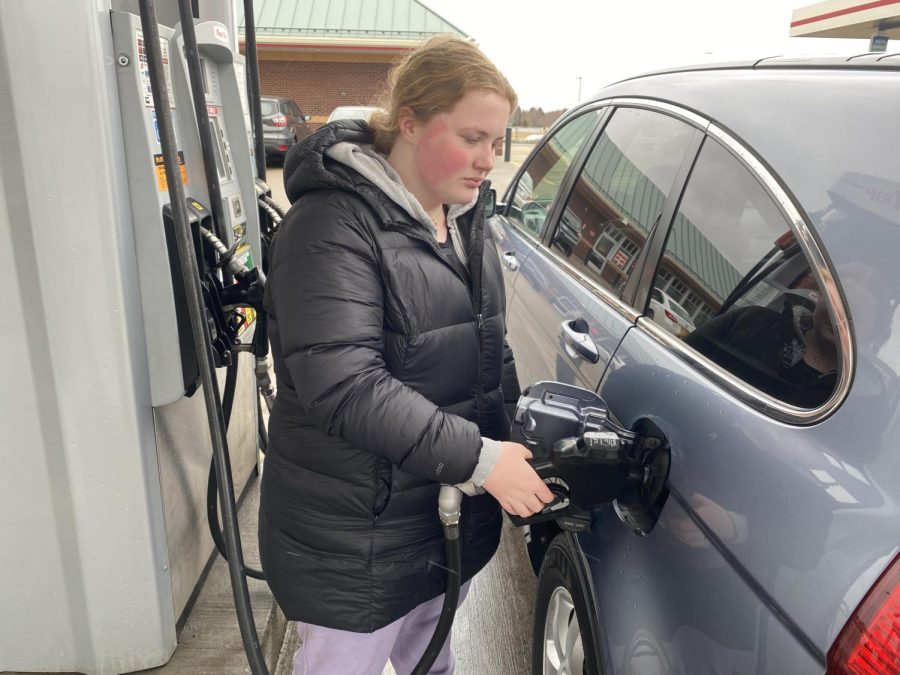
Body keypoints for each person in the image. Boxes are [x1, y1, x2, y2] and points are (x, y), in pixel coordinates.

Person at [258, 35, 554, 675]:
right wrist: (481, 459)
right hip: (352, 544)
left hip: (440, 521)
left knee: (432, 662)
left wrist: (514, 452)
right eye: (473, 136)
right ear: (411, 121)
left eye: (497, 142)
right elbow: (343, 384)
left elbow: (488, 351)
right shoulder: (331, 225)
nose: (488, 159)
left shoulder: (465, 219)